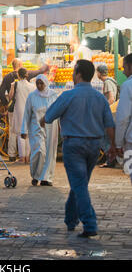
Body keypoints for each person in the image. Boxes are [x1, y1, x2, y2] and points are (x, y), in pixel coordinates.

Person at [40, 59, 115, 238]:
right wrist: (113, 145)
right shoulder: (99, 98)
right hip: (94, 146)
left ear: (79, 74)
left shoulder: (68, 96)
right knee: (79, 184)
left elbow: (49, 117)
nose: (73, 75)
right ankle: (70, 219)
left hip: (74, 145)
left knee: (79, 185)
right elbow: (109, 124)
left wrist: (42, 120)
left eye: (74, 72)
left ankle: (89, 224)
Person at [0, 58, 49, 162]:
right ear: (21, 66)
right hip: (28, 110)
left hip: (15, 109)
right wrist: (47, 64)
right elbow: (40, 71)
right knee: (28, 132)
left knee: (15, 132)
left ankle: (12, 154)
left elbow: (1, 92)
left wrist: (6, 104)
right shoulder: (30, 80)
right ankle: (27, 156)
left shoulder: (8, 77)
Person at [21, 74, 59, 185]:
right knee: (39, 151)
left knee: (50, 152)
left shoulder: (53, 95)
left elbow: (58, 110)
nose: (39, 85)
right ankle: (36, 175)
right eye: (37, 83)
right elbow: (27, 114)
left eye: (41, 83)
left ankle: (46, 178)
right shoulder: (32, 96)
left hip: (51, 128)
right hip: (36, 127)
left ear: (46, 83)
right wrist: (24, 130)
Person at [9, 68, 34, 164]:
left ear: (18, 75)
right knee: (28, 135)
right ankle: (27, 158)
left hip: (19, 110)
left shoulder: (16, 84)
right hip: (29, 110)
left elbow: (10, 97)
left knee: (20, 134)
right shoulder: (32, 86)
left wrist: (12, 86)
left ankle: (22, 157)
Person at [97, 64, 120, 168]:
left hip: (110, 113)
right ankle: (110, 158)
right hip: (113, 112)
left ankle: (110, 158)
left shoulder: (107, 82)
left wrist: (103, 110)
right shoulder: (111, 81)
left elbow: (111, 98)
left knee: (103, 136)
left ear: (99, 73)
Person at [115, 53, 132, 179]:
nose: (124, 72)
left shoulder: (127, 85)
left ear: (130, 67)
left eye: (124, 68)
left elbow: (123, 118)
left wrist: (118, 143)